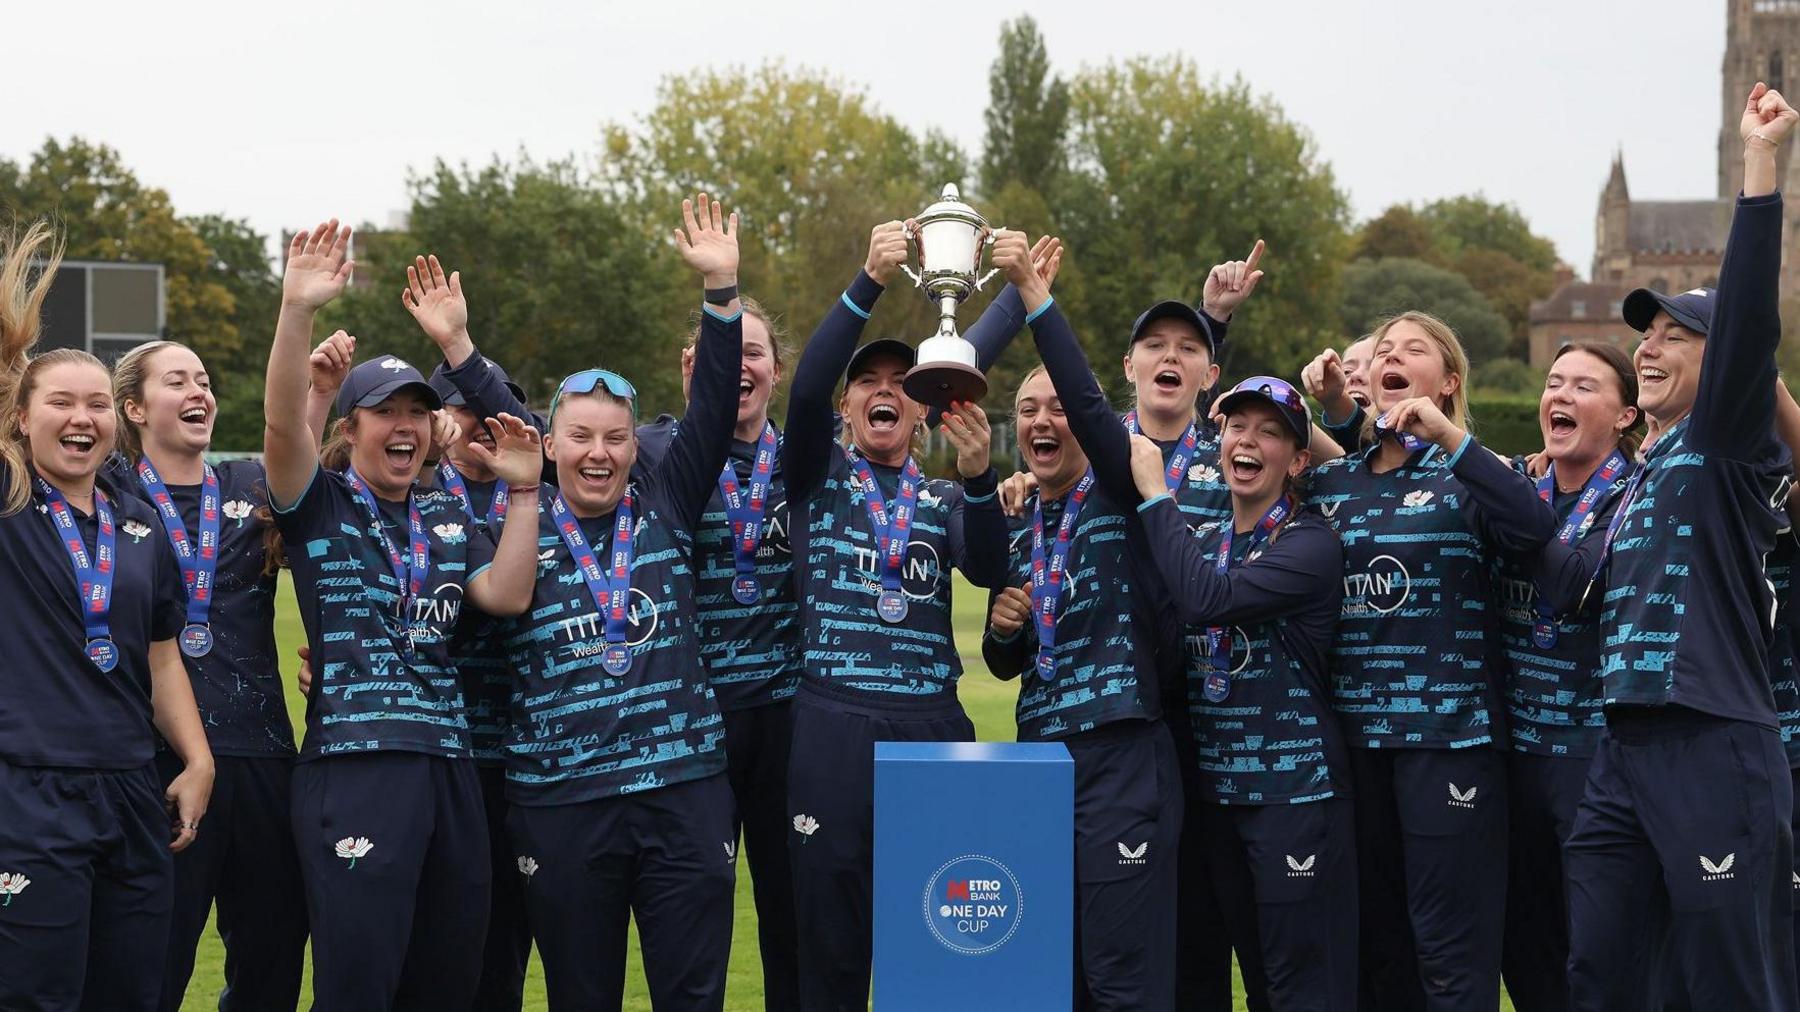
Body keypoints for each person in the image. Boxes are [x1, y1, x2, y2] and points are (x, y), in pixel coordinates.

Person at [262, 218, 545, 1010]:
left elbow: (509, 595)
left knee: (447, 984)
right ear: (352, 428)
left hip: (451, 764)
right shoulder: (317, 507)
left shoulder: (449, 519)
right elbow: (284, 427)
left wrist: (524, 491)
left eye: (418, 414)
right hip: (357, 764)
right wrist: (297, 309)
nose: (405, 427)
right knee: (359, 985)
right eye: (386, 412)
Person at [1560, 83, 1800, 1011]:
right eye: (1644, 337)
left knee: (1731, 982)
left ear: (1724, 364)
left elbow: (1748, 316)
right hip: (1622, 744)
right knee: (1603, 972)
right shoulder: (1647, 462)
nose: (1649, 350)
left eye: (1674, 337)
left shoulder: (1727, 441)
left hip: (1714, 742)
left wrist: (1761, 164)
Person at [490, 193, 748, 1011]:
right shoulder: (510, 520)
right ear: (549, 442)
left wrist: (721, 296)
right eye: (580, 437)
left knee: (692, 995)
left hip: (682, 789)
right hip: (562, 802)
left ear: (637, 446)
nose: (597, 454)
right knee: (580, 996)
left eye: (615, 438)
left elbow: (712, 404)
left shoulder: (667, 500)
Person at [783, 218, 1010, 1011]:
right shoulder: (812, 476)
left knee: (939, 939)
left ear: (921, 411)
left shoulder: (944, 497)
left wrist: (981, 479)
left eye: (900, 383)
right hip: (833, 722)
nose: (883, 391)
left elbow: (987, 567)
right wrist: (869, 280)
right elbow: (802, 386)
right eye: (867, 382)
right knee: (833, 945)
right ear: (846, 408)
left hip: (929, 722)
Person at [1304, 310, 1555, 1011]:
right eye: (1384, 349)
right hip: (1356, 747)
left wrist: (1448, 438)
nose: (1394, 356)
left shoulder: (1478, 474)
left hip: (1451, 744)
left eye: (1415, 351)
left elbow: (1536, 528)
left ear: (1446, 383)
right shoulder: (1334, 484)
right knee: (1378, 945)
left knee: (1450, 950)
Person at [0, 221, 215, 1010]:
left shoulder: (137, 524)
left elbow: (163, 656)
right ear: (22, 419)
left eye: (97, 403)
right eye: (60, 402)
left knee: (129, 994)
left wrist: (197, 760)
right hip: (29, 793)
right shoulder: (12, 500)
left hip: (132, 791)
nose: (81, 417)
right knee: (36, 995)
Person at [977, 228, 1184, 1008]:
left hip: (1123, 751)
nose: (1043, 420)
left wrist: (1031, 298)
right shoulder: (1022, 517)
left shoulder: (1121, 483)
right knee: (1052, 977)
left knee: (1122, 978)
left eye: (1058, 408)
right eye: (1027, 409)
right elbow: (1010, 663)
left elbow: (1099, 412)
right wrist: (1003, 633)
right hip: (1040, 757)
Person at [109, 335, 342, 1011]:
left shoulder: (245, 486)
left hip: (264, 759)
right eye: (176, 382)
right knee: (155, 961)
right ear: (133, 408)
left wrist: (320, 393)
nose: (198, 392)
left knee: (272, 960)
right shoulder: (109, 493)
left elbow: (297, 467)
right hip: (158, 763)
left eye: (203, 380)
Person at [1129, 376, 1355, 1012]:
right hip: (1217, 800)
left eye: (1271, 432)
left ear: (1298, 459)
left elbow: (1208, 603)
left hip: (1295, 795)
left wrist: (1155, 495)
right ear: (1218, 440)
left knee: (1298, 988)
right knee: (1243, 974)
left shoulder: (1310, 541)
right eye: (1236, 426)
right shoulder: (1204, 543)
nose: (1248, 440)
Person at [401, 256, 538, 1011]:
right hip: (433, 754)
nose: (484, 429)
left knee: (501, 956)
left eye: (498, 415)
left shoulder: (542, 496)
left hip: (520, 756)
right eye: (463, 416)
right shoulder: (406, 498)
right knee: (421, 944)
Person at [1488, 342, 1640, 1012]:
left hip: (1593, 756)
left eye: (1584, 386)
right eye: (1554, 383)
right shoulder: (1519, 486)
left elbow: (1576, 584)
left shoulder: (1637, 497)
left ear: (1626, 414)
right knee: (1523, 943)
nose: (1562, 396)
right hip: (1511, 752)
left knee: (1600, 948)